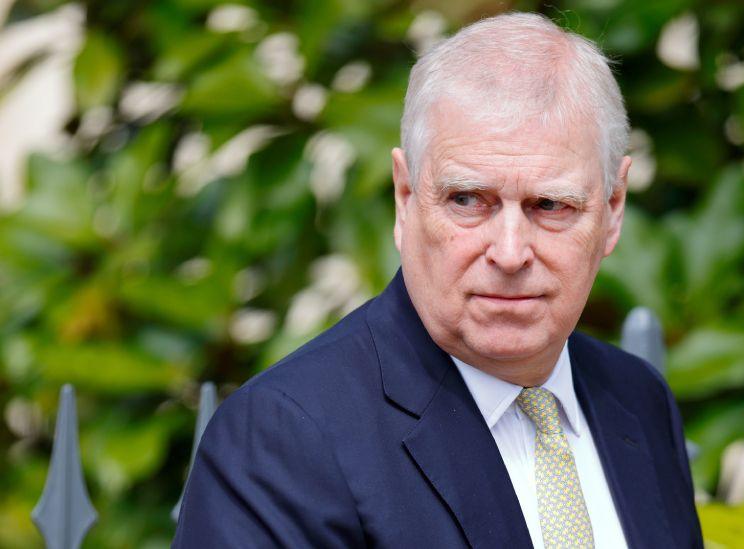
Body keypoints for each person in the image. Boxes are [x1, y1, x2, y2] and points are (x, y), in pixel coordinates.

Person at [173, 12, 702, 548]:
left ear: (613, 210)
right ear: (405, 198)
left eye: (550, 205)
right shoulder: (282, 440)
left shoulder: (637, 400)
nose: (511, 252)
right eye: (468, 200)